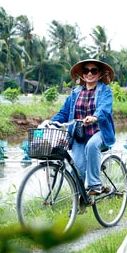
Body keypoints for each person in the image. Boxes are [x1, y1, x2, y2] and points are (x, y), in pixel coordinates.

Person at [47, 59, 116, 195]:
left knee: (92, 145)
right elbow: (64, 112)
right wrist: (52, 122)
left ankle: (95, 184)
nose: (89, 74)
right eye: (86, 71)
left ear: (100, 73)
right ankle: (80, 201)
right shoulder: (75, 93)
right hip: (79, 135)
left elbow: (104, 108)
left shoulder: (104, 91)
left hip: (99, 132)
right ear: (82, 75)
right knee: (77, 169)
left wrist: (95, 117)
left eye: (93, 70)